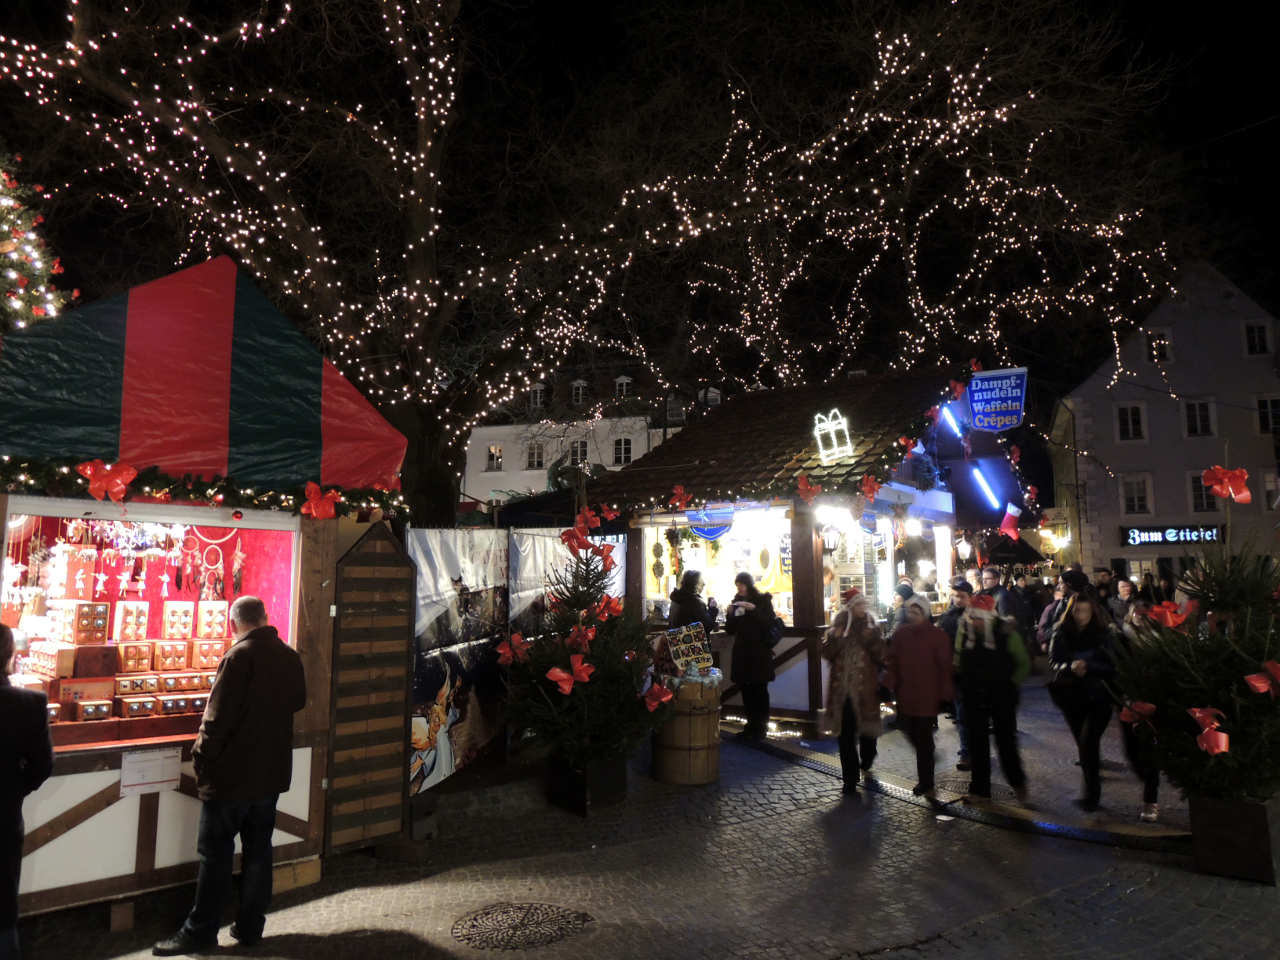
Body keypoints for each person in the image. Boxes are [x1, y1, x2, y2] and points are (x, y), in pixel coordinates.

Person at [154, 597, 307, 956]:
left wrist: (201, 756)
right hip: (270, 775)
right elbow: (299, 701)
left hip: (232, 777)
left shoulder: (238, 657)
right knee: (258, 852)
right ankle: (251, 926)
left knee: (215, 854)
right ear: (265, 618)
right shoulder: (289, 656)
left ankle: (201, 931)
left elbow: (216, 718)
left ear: (232, 623)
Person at [1, 625, 53, 960]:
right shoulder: (29, 703)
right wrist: (15, 788)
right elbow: (42, 767)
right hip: (3, 814)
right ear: (11, 656)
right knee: (3, 897)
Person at [954, 594, 1030, 804]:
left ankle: (1018, 783)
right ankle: (980, 790)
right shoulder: (965, 631)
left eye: (979, 618)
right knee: (977, 744)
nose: (975, 622)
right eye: (972, 618)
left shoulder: (1007, 634)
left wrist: (1009, 685)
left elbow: (1022, 663)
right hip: (973, 694)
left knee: (1005, 743)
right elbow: (959, 657)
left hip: (1001, 695)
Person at [1047, 589, 1117, 813]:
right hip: (1071, 695)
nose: (1081, 616)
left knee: (1088, 742)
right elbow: (1054, 661)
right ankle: (1090, 789)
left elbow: (1113, 665)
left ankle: (1092, 795)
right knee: (1083, 744)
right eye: (1077, 611)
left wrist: (1089, 667)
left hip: (1099, 696)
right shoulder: (1061, 632)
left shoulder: (1104, 634)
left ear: (1092, 612)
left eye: (1085, 611)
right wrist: (1069, 666)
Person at [884, 594, 953, 796]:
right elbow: (893, 661)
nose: (912, 615)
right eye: (910, 612)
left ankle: (926, 781)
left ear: (925, 613)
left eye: (917, 612)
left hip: (927, 695)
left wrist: (946, 691)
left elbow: (944, 667)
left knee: (922, 738)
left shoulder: (937, 636)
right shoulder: (901, 634)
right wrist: (889, 681)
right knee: (908, 730)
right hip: (906, 694)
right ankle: (928, 758)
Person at [822, 588, 885, 795]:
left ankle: (867, 759)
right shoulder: (839, 625)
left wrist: (871, 638)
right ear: (850, 607)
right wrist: (835, 638)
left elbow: (881, 655)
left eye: (863, 604)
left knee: (867, 731)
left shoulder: (871, 625)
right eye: (858, 604)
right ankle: (849, 778)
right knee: (845, 735)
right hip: (842, 692)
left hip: (865, 690)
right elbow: (827, 654)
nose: (862, 607)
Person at [1117, 605, 1162, 822]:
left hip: (1153, 700)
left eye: (1145, 613)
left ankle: (1150, 800)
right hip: (1128, 700)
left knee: (1150, 752)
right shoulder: (1121, 639)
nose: (1140, 617)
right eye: (1137, 612)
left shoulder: (1160, 640)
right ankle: (1146, 778)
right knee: (1131, 751)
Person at [725, 572, 776, 741]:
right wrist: (730, 614)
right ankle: (750, 726)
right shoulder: (737, 603)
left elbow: (769, 622)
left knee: (760, 690)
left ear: (749, 585)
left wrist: (753, 610)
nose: (739, 588)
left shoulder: (762, 601)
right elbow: (731, 629)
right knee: (746, 690)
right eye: (737, 585)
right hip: (743, 654)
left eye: (742, 585)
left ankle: (761, 728)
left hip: (760, 654)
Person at [937, 578, 973, 771]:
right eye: (955, 596)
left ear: (969, 597)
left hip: (971, 673)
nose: (957, 600)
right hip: (954, 673)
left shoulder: (975, 616)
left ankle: (968, 752)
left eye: (961, 596)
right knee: (961, 714)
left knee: (965, 715)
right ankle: (968, 749)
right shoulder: (948, 615)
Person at [668, 569, 717, 635]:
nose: (704, 584)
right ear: (695, 584)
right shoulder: (695, 602)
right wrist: (712, 609)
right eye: (701, 581)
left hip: (678, 643)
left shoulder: (676, 599)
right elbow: (707, 627)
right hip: (692, 644)